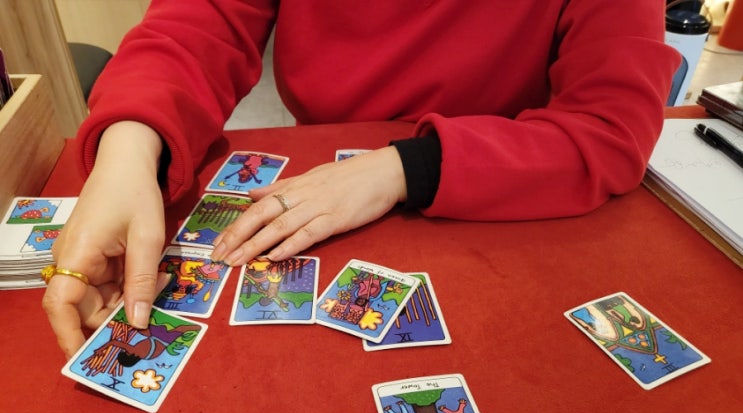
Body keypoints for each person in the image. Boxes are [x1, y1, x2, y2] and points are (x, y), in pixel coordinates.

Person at [41, 0, 680, 358]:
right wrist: (129, 148)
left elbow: (608, 128)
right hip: (320, 182)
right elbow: (198, 23)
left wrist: (400, 168)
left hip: (502, 200)